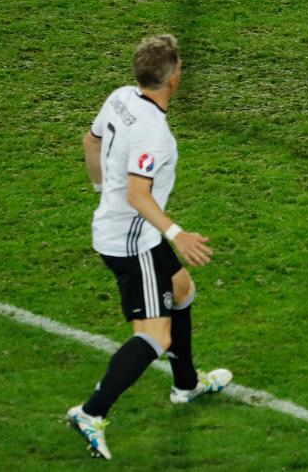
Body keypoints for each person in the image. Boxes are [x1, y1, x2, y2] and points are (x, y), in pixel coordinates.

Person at [67, 34, 232, 460]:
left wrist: (102, 189)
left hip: (124, 228)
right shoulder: (155, 135)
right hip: (132, 242)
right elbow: (139, 195)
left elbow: (91, 142)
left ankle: (186, 384)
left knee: (182, 290)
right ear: (174, 78)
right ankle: (91, 412)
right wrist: (178, 233)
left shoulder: (121, 97)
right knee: (154, 337)